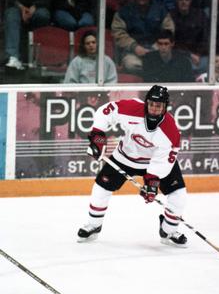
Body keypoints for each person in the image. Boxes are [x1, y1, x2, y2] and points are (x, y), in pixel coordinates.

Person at [77, 85, 188, 247]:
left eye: (158, 106)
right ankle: (94, 225)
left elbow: (164, 160)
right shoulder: (132, 108)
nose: (154, 109)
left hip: (153, 163)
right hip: (125, 156)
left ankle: (168, 231)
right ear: (146, 103)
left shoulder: (171, 130)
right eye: (151, 104)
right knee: (101, 188)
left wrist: (152, 182)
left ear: (165, 107)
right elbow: (106, 111)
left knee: (179, 195)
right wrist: (98, 136)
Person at [111, 0, 174, 74]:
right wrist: (134, 47)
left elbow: (169, 30)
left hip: (157, 50)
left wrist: (156, 47)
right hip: (133, 52)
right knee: (130, 65)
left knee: (167, 62)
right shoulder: (124, 11)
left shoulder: (161, 10)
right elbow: (118, 33)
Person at [2, 0, 54, 70]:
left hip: (37, 8)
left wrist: (35, 6)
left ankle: (39, 57)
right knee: (10, 15)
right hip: (18, 7)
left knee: (43, 16)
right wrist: (21, 7)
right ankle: (13, 57)